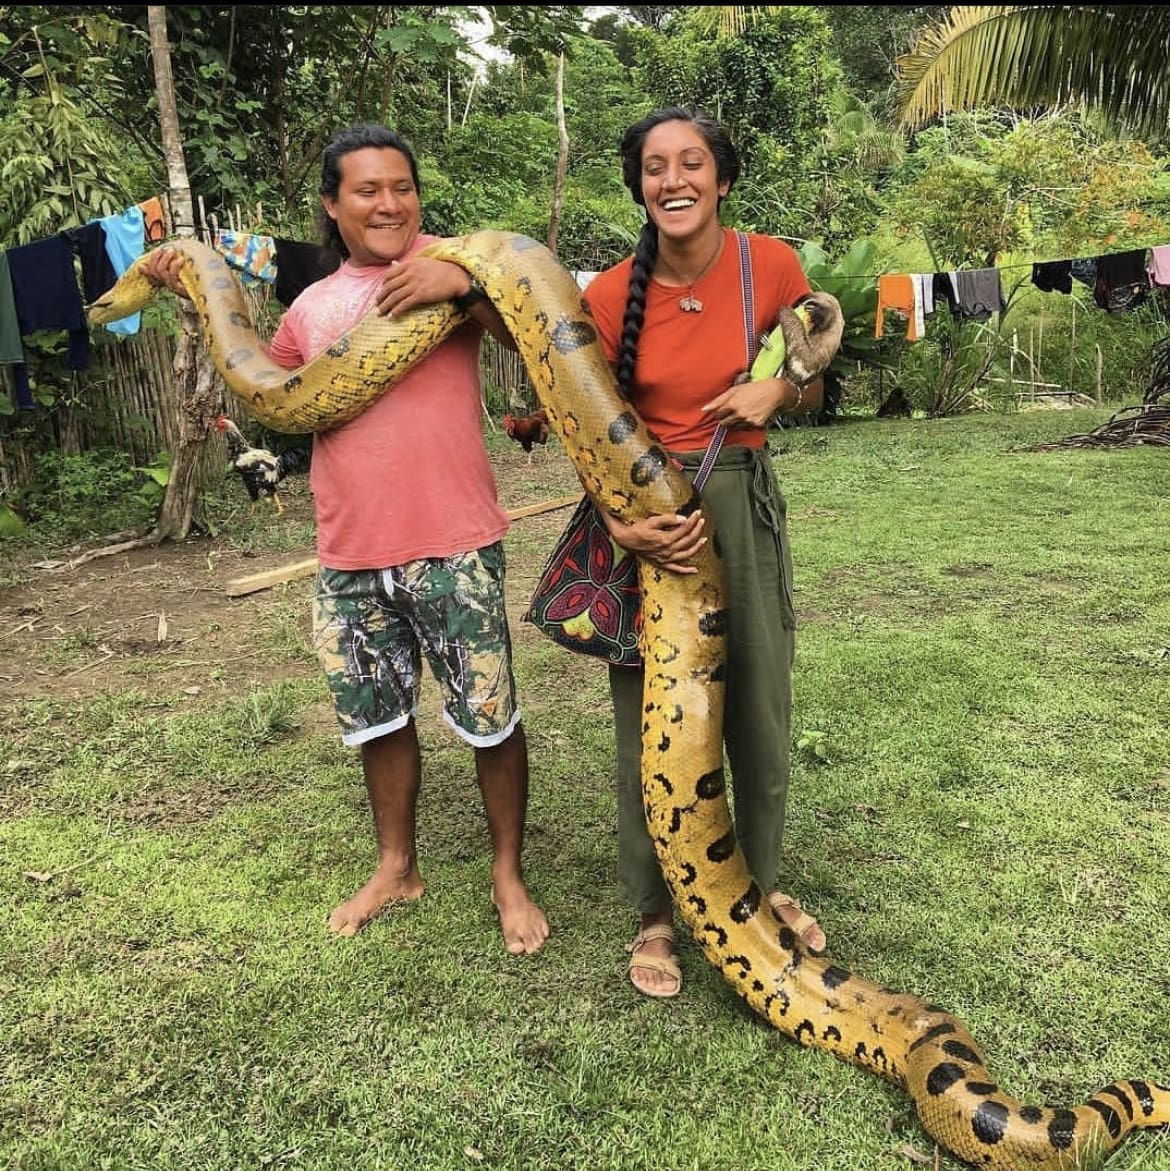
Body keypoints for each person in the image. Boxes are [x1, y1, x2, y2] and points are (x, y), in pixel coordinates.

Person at [143, 123, 549, 956]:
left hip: (454, 543)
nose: (389, 203)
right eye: (368, 190)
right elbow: (274, 387)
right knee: (376, 717)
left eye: (402, 186)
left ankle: (507, 870)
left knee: (491, 715)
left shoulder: (458, 265)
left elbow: (529, 333)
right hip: (349, 553)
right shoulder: (311, 306)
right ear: (333, 205)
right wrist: (194, 293)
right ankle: (396, 863)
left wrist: (465, 288)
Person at [579, 106, 827, 998]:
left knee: (758, 701)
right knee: (652, 715)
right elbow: (582, 423)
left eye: (691, 164)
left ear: (722, 179)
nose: (672, 180)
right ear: (639, 185)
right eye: (654, 167)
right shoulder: (606, 296)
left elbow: (815, 366)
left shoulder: (774, 265)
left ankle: (755, 887)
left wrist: (778, 387)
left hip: (738, 499)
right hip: (649, 517)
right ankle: (655, 908)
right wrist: (618, 525)